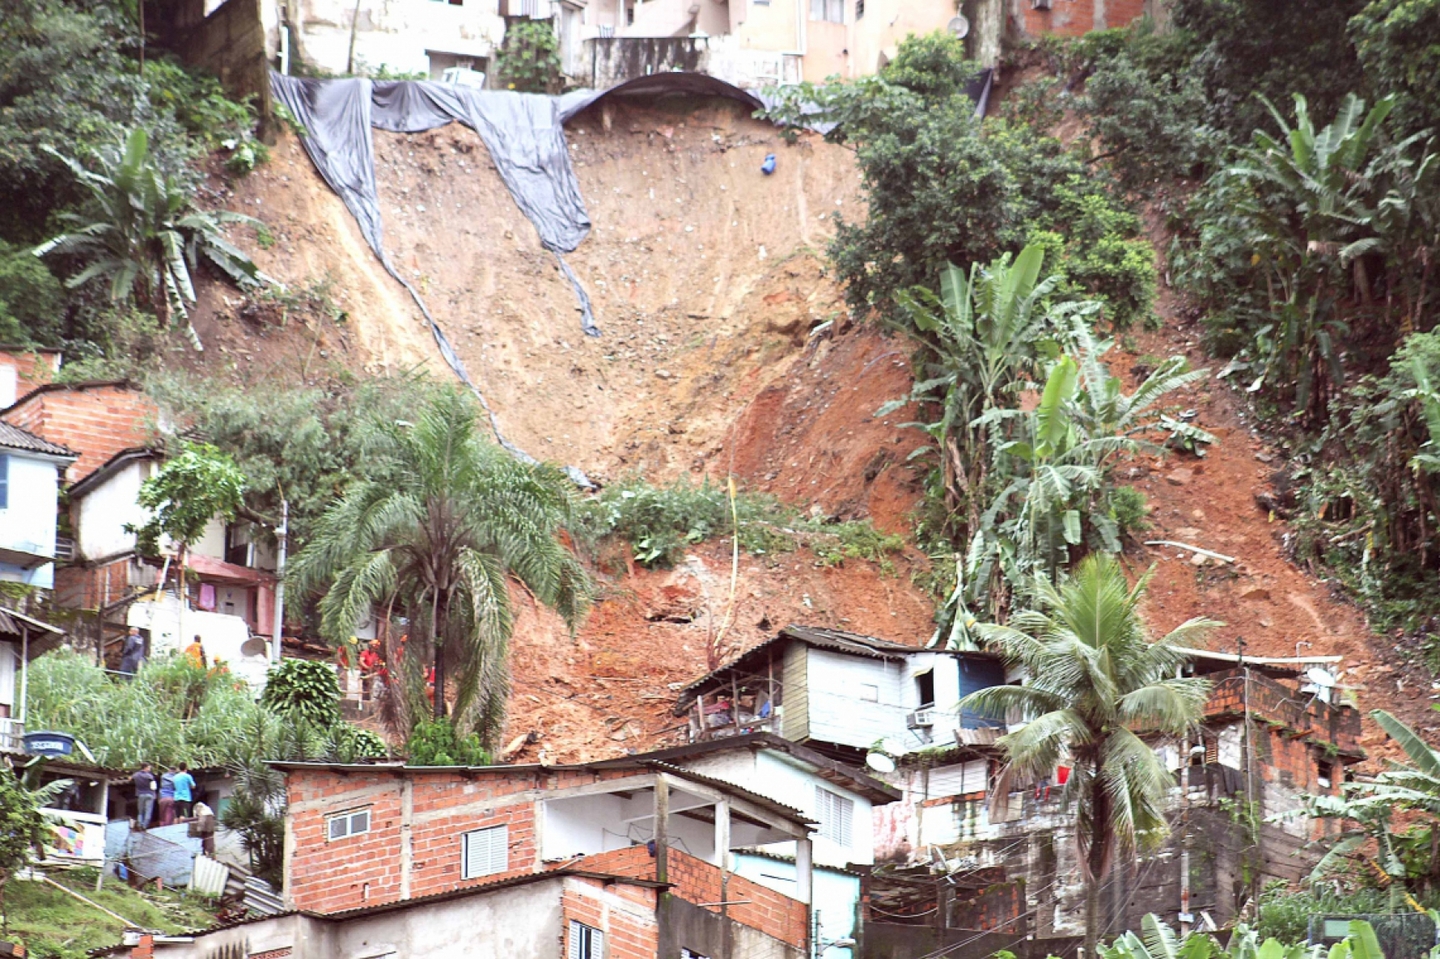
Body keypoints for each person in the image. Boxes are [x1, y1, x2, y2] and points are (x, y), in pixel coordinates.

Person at [132, 763, 157, 829]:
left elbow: (130, 779)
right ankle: (145, 825)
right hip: (150, 794)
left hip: (140, 794)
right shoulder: (149, 776)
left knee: (140, 811)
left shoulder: (136, 775)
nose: (150, 769)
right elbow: (154, 787)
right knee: (148, 811)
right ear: (145, 767)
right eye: (149, 767)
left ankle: (140, 824)